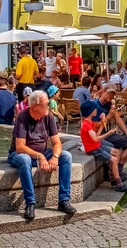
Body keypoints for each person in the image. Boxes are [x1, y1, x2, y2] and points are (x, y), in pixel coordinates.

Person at [8, 91, 76, 221]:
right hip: (19, 155)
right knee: (24, 159)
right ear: (35, 107)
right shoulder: (22, 117)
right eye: (46, 104)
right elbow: (20, 147)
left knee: (66, 156)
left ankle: (64, 200)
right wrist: (40, 156)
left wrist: (55, 157)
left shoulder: (48, 116)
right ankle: (30, 203)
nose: (49, 106)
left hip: (42, 154)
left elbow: (57, 143)